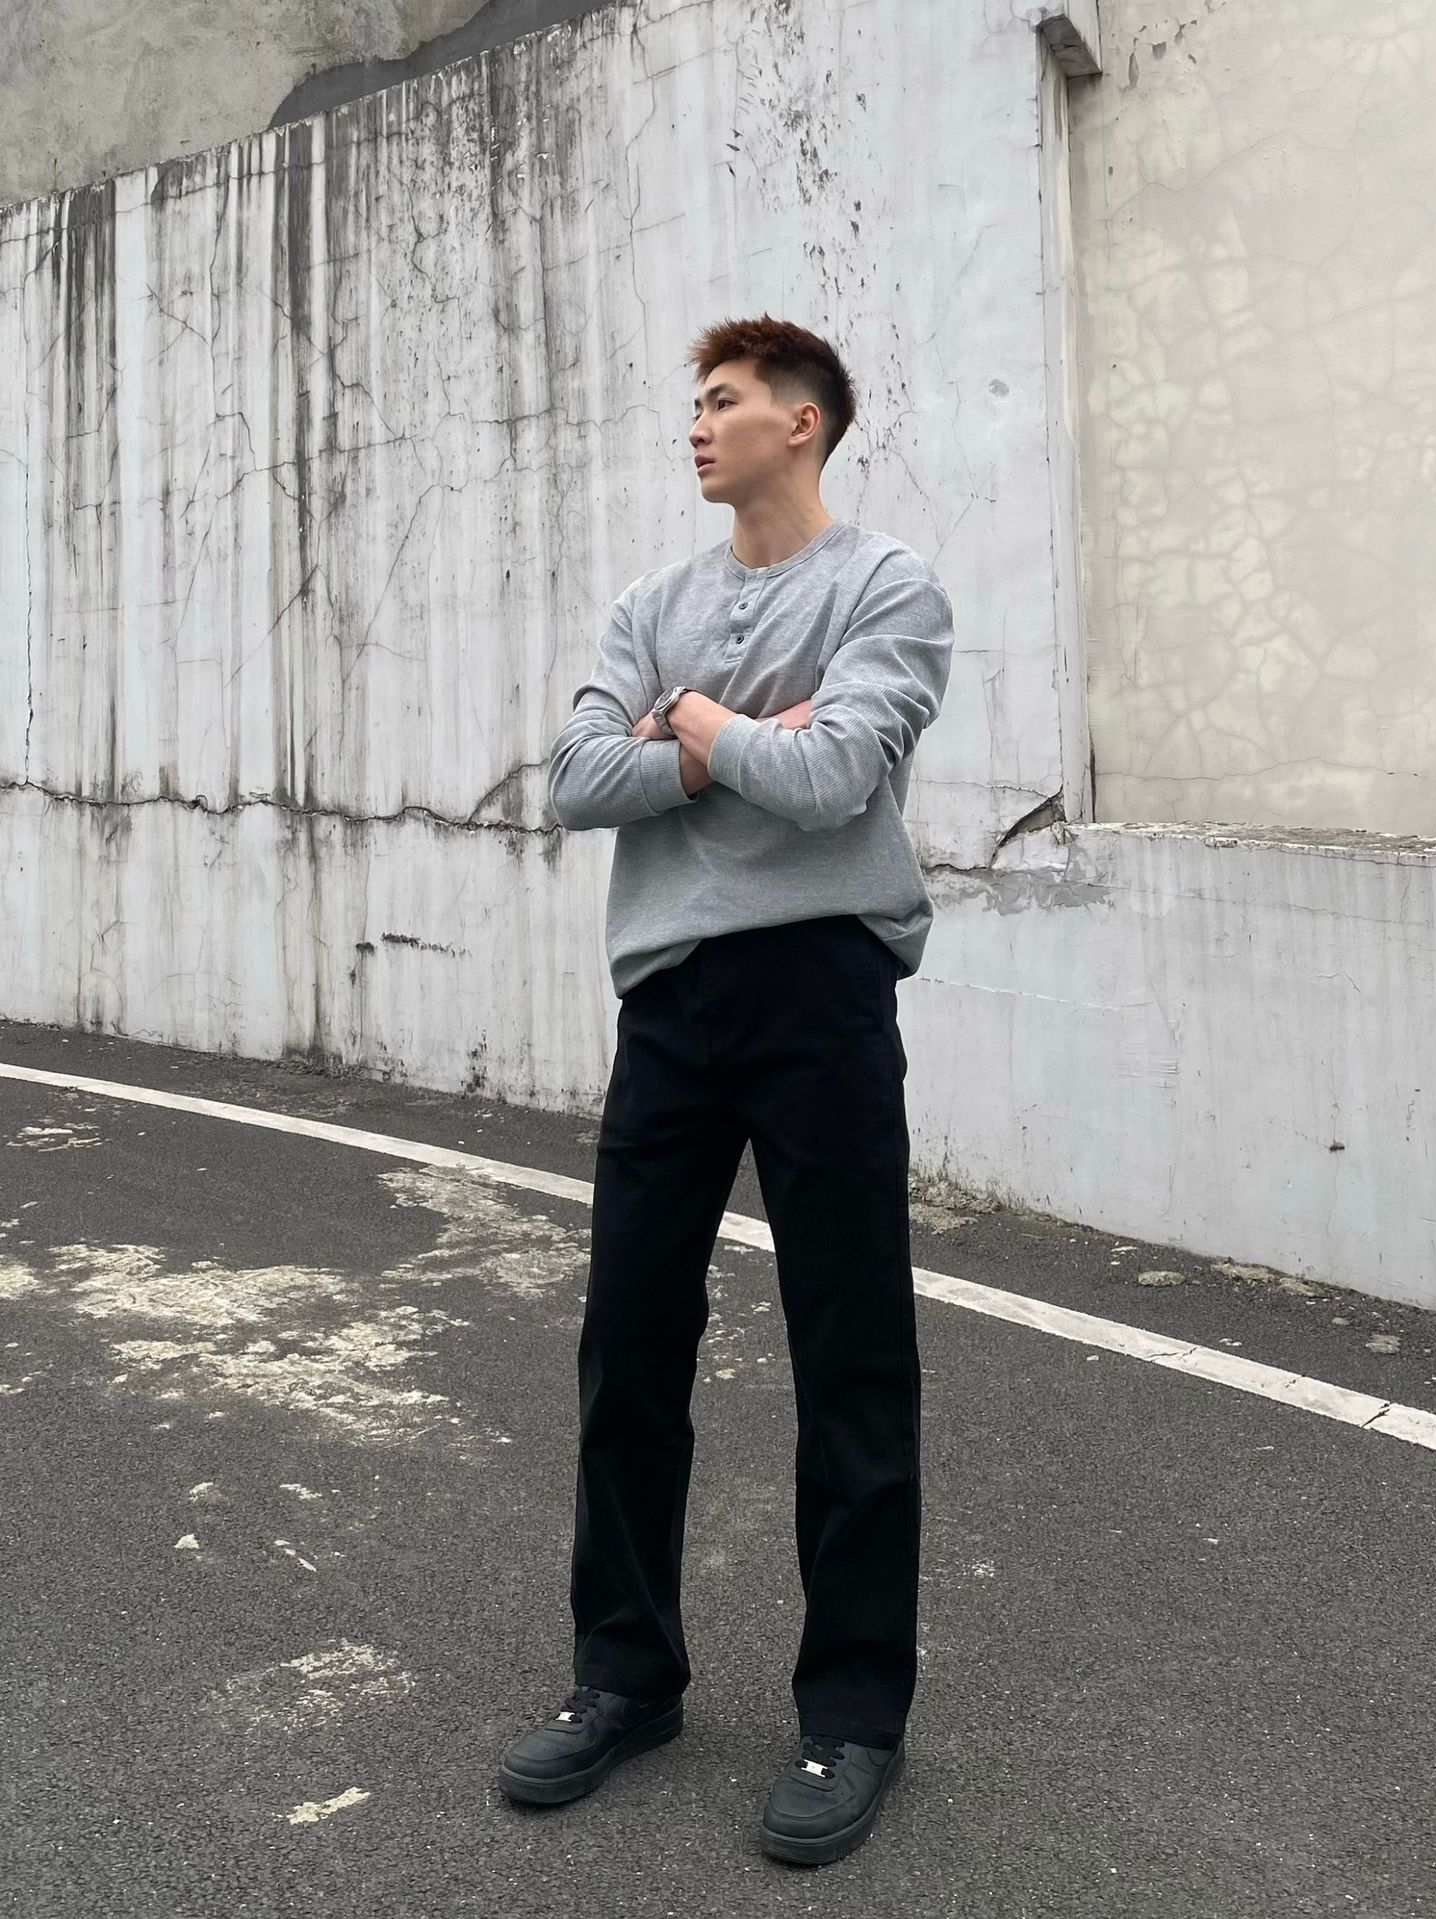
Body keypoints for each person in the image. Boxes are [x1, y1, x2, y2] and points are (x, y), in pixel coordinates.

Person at [498, 314, 955, 1868]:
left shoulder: (886, 588)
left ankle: (854, 1714)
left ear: (800, 422)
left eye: (722, 401)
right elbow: (577, 780)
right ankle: (624, 1678)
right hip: (675, 999)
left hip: (823, 990)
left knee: (851, 1352)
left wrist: (686, 721)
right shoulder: (652, 602)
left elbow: (836, 783)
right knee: (628, 1340)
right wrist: (734, 744)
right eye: (694, 402)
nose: (696, 426)